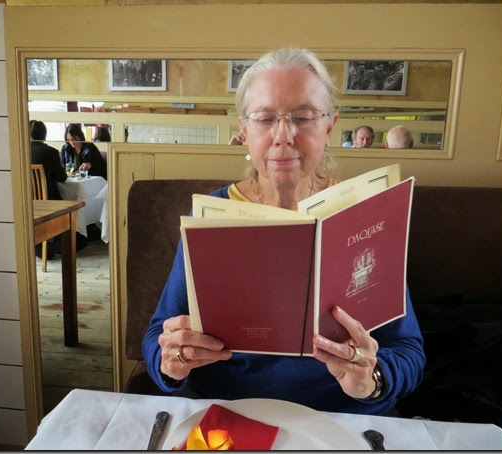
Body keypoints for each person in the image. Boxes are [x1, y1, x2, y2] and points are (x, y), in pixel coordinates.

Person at [142, 48, 425, 416]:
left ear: (329, 127)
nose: (283, 135)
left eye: (303, 118)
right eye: (265, 118)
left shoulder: (365, 215)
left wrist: (373, 380)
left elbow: (408, 351)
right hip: (231, 414)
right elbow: (157, 339)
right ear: (244, 130)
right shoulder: (211, 216)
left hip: (341, 416)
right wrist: (172, 361)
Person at [30, 120, 67, 258]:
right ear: (44, 135)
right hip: (48, 199)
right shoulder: (51, 152)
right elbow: (62, 178)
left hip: (25, 198)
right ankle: (57, 245)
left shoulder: (19, 151)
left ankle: (36, 243)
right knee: (67, 205)